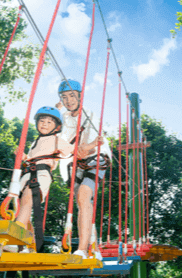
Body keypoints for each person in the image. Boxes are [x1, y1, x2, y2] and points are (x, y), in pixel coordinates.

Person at [11, 106, 103, 254]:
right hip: (28, 173)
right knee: (23, 208)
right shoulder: (35, 142)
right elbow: (30, 159)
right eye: (42, 121)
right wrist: (22, 157)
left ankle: (15, 239)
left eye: (49, 122)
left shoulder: (57, 140)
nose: (44, 124)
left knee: (28, 199)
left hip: (41, 174)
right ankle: (28, 246)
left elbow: (76, 150)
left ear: (57, 126)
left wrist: (92, 145)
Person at [56, 79, 111, 260]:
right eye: (64, 97)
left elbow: (92, 146)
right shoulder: (63, 118)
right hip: (77, 161)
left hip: (96, 157)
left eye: (72, 96)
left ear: (80, 96)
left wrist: (80, 149)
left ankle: (81, 249)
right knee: (81, 203)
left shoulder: (90, 114)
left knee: (84, 195)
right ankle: (92, 246)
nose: (68, 100)